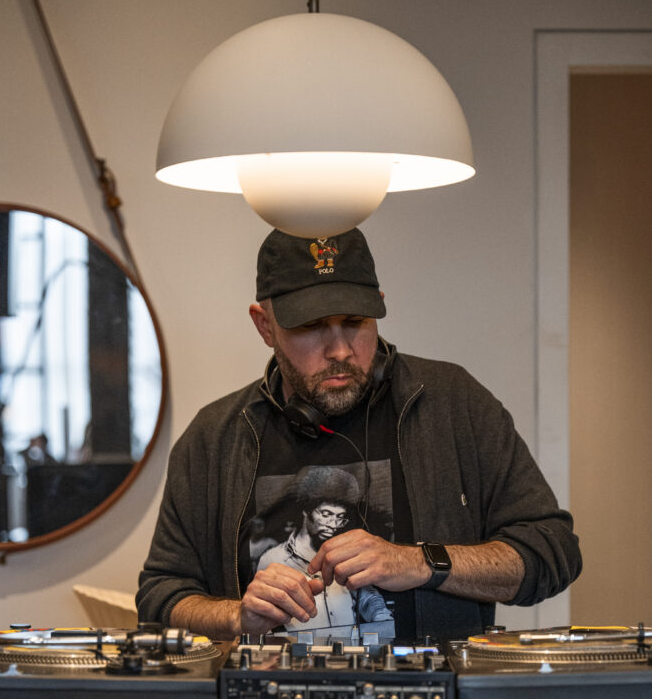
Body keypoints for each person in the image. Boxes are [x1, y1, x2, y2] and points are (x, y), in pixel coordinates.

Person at [137, 226, 581, 646]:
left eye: (355, 321)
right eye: (311, 327)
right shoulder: (213, 439)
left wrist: (421, 562)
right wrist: (236, 617)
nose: (341, 350)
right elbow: (160, 598)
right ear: (264, 325)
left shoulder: (454, 406)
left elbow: (552, 553)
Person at [256, 465, 393, 636]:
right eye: (326, 514)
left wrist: (382, 617)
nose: (333, 525)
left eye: (339, 517)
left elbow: (367, 597)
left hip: (347, 657)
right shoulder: (273, 558)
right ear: (306, 510)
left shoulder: (348, 552)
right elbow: (263, 619)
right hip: (299, 657)